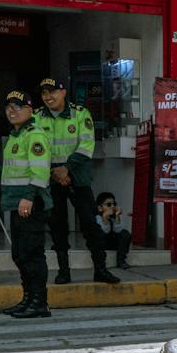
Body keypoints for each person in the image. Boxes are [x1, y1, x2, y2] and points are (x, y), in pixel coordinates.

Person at [37, 78, 119, 286]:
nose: (48, 97)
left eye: (53, 91)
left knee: (90, 223)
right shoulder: (36, 117)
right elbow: (34, 148)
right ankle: (63, 271)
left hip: (78, 176)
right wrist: (54, 172)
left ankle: (100, 269)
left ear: (63, 92)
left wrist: (66, 169)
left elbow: (86, 145)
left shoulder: (80, 114)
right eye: (44, 93)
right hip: (50, 177)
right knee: (57, 226)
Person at [0, 90, 54, 319]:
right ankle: (28, 299)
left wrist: (29, 196)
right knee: (20, 254)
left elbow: (40, 170)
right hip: (16, 203)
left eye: (17, 106)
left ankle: (39, 302)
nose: (11, 111)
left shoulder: (35, 135)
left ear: (29, 110)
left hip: (30, 203)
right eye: (8, 107)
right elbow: (13, 165)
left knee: (32, 254)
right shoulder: (16, 135)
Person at [94, 191, 131, 268]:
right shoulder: (97, 218)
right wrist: (105, 218)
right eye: (109, 205)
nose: (112, 206)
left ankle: (121, 260)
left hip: (114, 243)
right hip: (103, 244)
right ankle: (101, 262)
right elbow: (105, 231)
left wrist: (117, 216)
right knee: (98, 233)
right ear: (100, 208)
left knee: (125, 233)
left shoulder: (116, 216)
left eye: (114, 204)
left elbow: (118, 230)